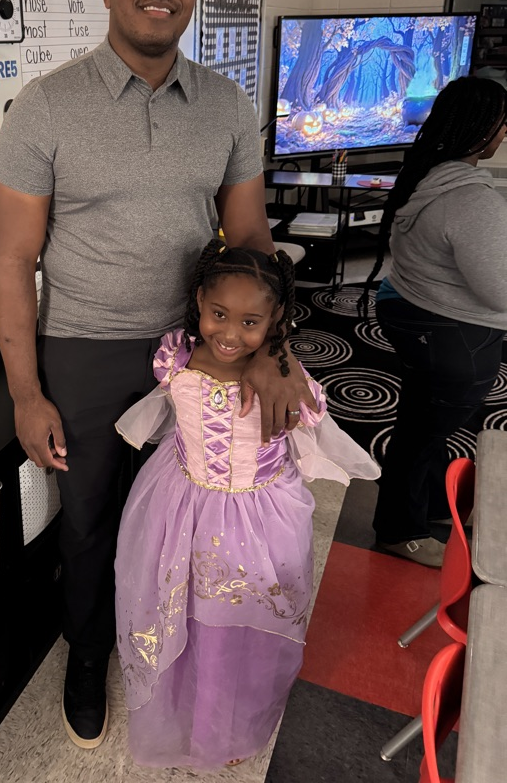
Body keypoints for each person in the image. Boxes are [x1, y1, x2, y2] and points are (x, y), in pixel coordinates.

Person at [0, 0, 316, 749]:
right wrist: (26, 393)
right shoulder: (46, 106)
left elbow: (251, 246)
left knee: (202, 518)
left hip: (206, 350)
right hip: (88, 350)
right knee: (92, 519)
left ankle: (178, 655)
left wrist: (273, 352)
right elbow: (13, 260)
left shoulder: (225, 104)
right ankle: (90, 655)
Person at [114, 241, 379, 769]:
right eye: (218, 315)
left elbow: (313, 434)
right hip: (179, 505)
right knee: (185, 616)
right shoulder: (177, 358)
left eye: (250, 321)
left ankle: (235, 728)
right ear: (198, 302)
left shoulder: (284, 382)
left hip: (258, 521)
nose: (230, 333)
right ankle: (184, 714)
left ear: (275, 318)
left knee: (241, 626)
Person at [359, 75, 507, 568]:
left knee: (421, 424)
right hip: (450, 334)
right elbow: (500, 290)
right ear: (481, 129)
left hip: (417, 315)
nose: (505, 133)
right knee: (422, 434)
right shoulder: (469, 200)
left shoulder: (427, 172)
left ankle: (426, 505)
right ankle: (400, 529)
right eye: (502, 124)